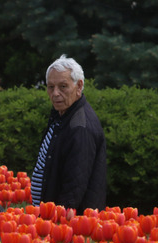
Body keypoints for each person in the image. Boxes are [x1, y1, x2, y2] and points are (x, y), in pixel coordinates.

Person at [30, 55, 107, 213]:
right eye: (51, 87)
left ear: (79, 86)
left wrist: (60, 222)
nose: (55, 93)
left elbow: (74, 184)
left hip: (69, 224)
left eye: (63, 86)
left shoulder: (80, 125)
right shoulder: (61, 115)